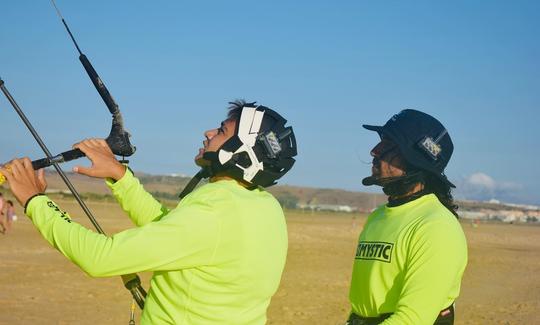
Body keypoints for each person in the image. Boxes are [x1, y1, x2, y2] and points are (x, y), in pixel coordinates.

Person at [0, 100, 297, 324]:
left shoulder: (214, 210)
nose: (208, 132)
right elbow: (171, 230)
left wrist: (35, 201)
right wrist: (120, 177)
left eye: (221, 130)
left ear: (242, 152)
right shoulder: (266, 208)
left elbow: (100, 258)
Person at [347, 109, 467, 325]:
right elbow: (364, 303)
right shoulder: (378, 216)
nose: (374, 151)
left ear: (416, 160)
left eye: (389, 146)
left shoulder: (436, 227)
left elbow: (413, 319)